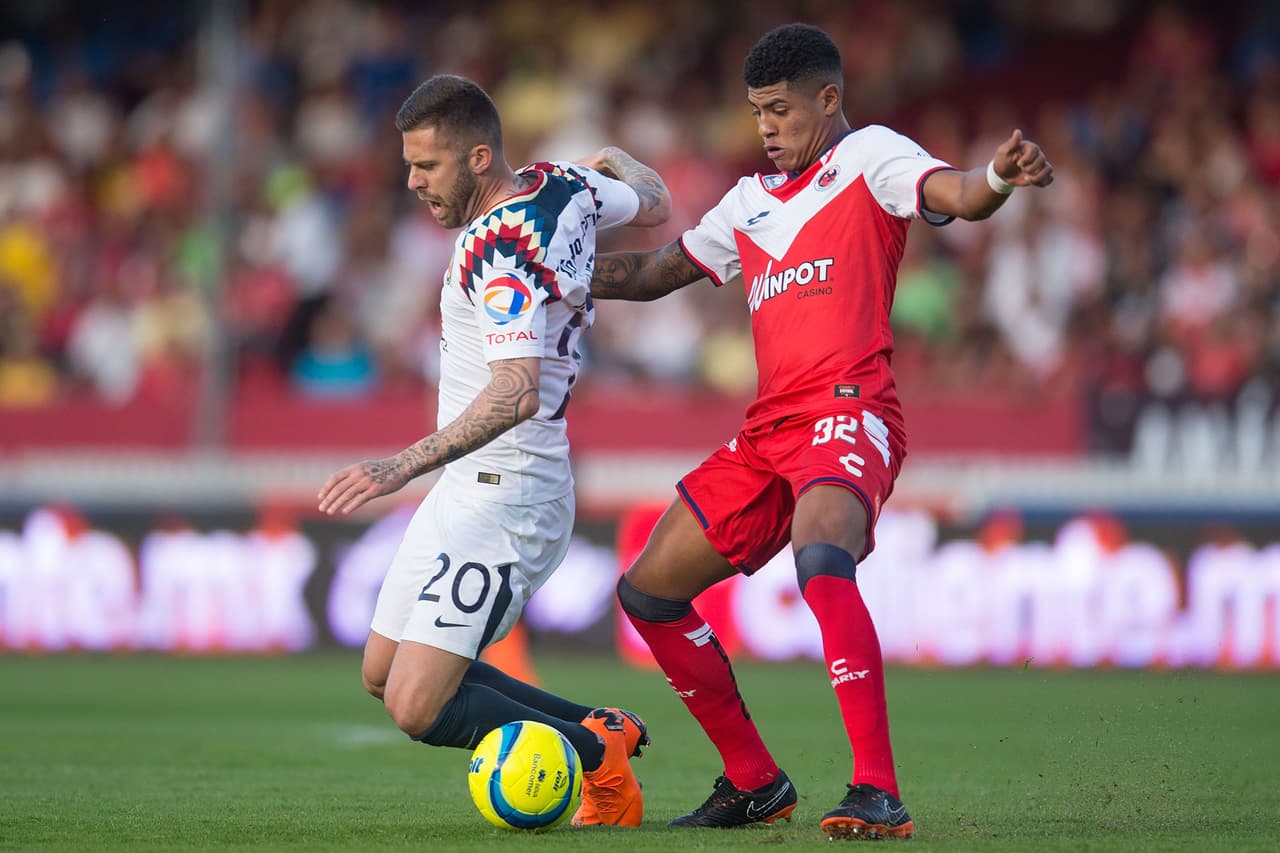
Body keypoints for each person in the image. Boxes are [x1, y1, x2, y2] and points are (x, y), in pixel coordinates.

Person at [587, 23, 1053, 840]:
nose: (765, 127)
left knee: (822, 554)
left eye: (779, 109)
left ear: (827, 100)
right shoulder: (746, 202)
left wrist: (998, 179)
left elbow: (959, 193)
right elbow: (654, 274)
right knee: (647, 593)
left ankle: (877, 788)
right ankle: (754, 782)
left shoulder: (871, 156)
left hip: (850, 407)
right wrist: (551, 271)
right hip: (768, 431)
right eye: (756, 111)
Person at [318, 74, 671, 827]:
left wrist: (397, 465)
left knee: (418, 704)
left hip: (510, 490)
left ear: (479, 158)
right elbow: (656, 200)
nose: (413, 184)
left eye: (429, 167)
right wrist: (617, 162)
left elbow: (516, 390)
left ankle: (593, 755)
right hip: (465, 488)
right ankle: (599, 726)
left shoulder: (496, 251)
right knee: (382, 673)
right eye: (409, 165)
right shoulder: (565, 185)